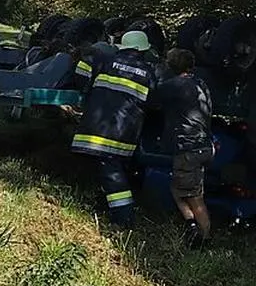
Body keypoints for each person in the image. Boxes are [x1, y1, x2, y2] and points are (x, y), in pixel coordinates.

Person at [70, 30, 159, 227]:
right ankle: (116, 212)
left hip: (96, 130)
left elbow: (82, 70)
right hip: (125, 134)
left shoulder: (106, 61)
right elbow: (153, 103)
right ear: (141, 50)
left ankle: (124, 219)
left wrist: (85, 89)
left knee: (112, 175)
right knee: (113, 171)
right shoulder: (149, 73)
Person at [155, 48, 214, 248]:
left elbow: (151, 99)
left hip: (189, 147)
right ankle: (192, 226)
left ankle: (204, 240)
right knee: (179, 189)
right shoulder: (200, 83)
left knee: (193, 196)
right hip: (204, 145)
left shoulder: (174, 85)